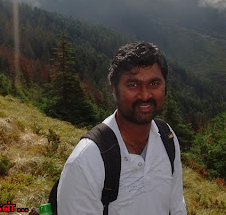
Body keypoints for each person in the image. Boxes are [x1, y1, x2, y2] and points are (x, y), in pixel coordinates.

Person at [56, 42, 187, 215]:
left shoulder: (166, 137)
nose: (145, 95)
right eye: (133, 85)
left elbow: (176, 206)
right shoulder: (87, 161)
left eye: (154, 83)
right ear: (114, 91)